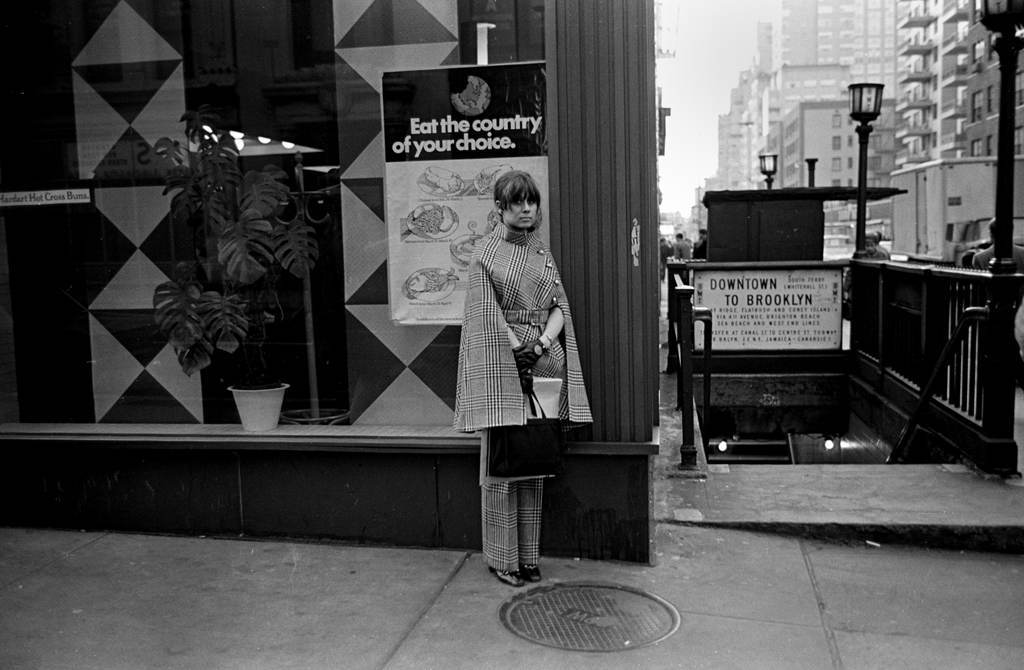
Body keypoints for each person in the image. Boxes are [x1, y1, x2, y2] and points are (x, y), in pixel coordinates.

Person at [454, 170, 593, 588]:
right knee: (500, 467)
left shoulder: (541, 252)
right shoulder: (486, 256)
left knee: (533, 462)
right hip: (504, 365)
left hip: (542, 361)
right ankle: (502, 560)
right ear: (500, 207)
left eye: (531, 201)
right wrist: (518, 349)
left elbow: (558, 305)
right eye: (517, 202)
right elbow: (485, 315)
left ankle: (528, 557)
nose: (527, 209)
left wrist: (543, 344)